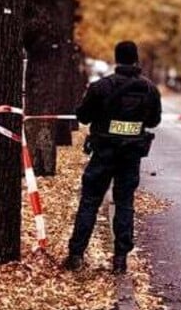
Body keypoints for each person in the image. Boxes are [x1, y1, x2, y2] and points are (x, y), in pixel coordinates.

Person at [63, 40, 162, 275]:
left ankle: (76, 255)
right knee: (125, 203)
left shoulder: (101, 87)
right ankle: (120, 259)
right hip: (130, 156)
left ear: (117, 59)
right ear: (136, 59)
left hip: (103, 153)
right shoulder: (149, 90)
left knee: (89, 202)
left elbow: (84, 117)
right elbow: (153, 121)